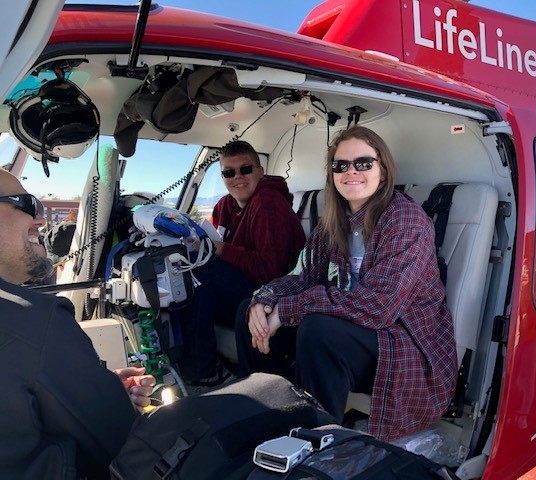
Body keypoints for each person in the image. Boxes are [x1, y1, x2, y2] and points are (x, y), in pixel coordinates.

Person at [235, 126, 458, 441]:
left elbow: (379, 307)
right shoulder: (334, 223)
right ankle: (268, 415)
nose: (351, 172)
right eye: (340, 165)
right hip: (356, 333)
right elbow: (302, 275)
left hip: (402, 345)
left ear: (382, 170)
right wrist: (266, 299)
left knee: (319, 329)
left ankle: (315, 443)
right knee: (248, 311)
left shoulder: (405, 221)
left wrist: (286, 311)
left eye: (363, 163)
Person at [0, 169, 155, 479]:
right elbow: (118, 435)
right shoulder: (36, 321)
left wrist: (98, 387)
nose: (41, 220)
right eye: (30, 205)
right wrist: (111, 399)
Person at [176, 140, 306, 385]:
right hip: (244, 283)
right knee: (193, 274)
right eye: (229, 172)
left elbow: (271, 271)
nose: (238, 178)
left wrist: (224, 250)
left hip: (276, 291)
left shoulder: (269, 204)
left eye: (246, 169)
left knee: (205, 273)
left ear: (260, 171)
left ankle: (202, 370)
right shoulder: (224, 205)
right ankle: (200, 368)